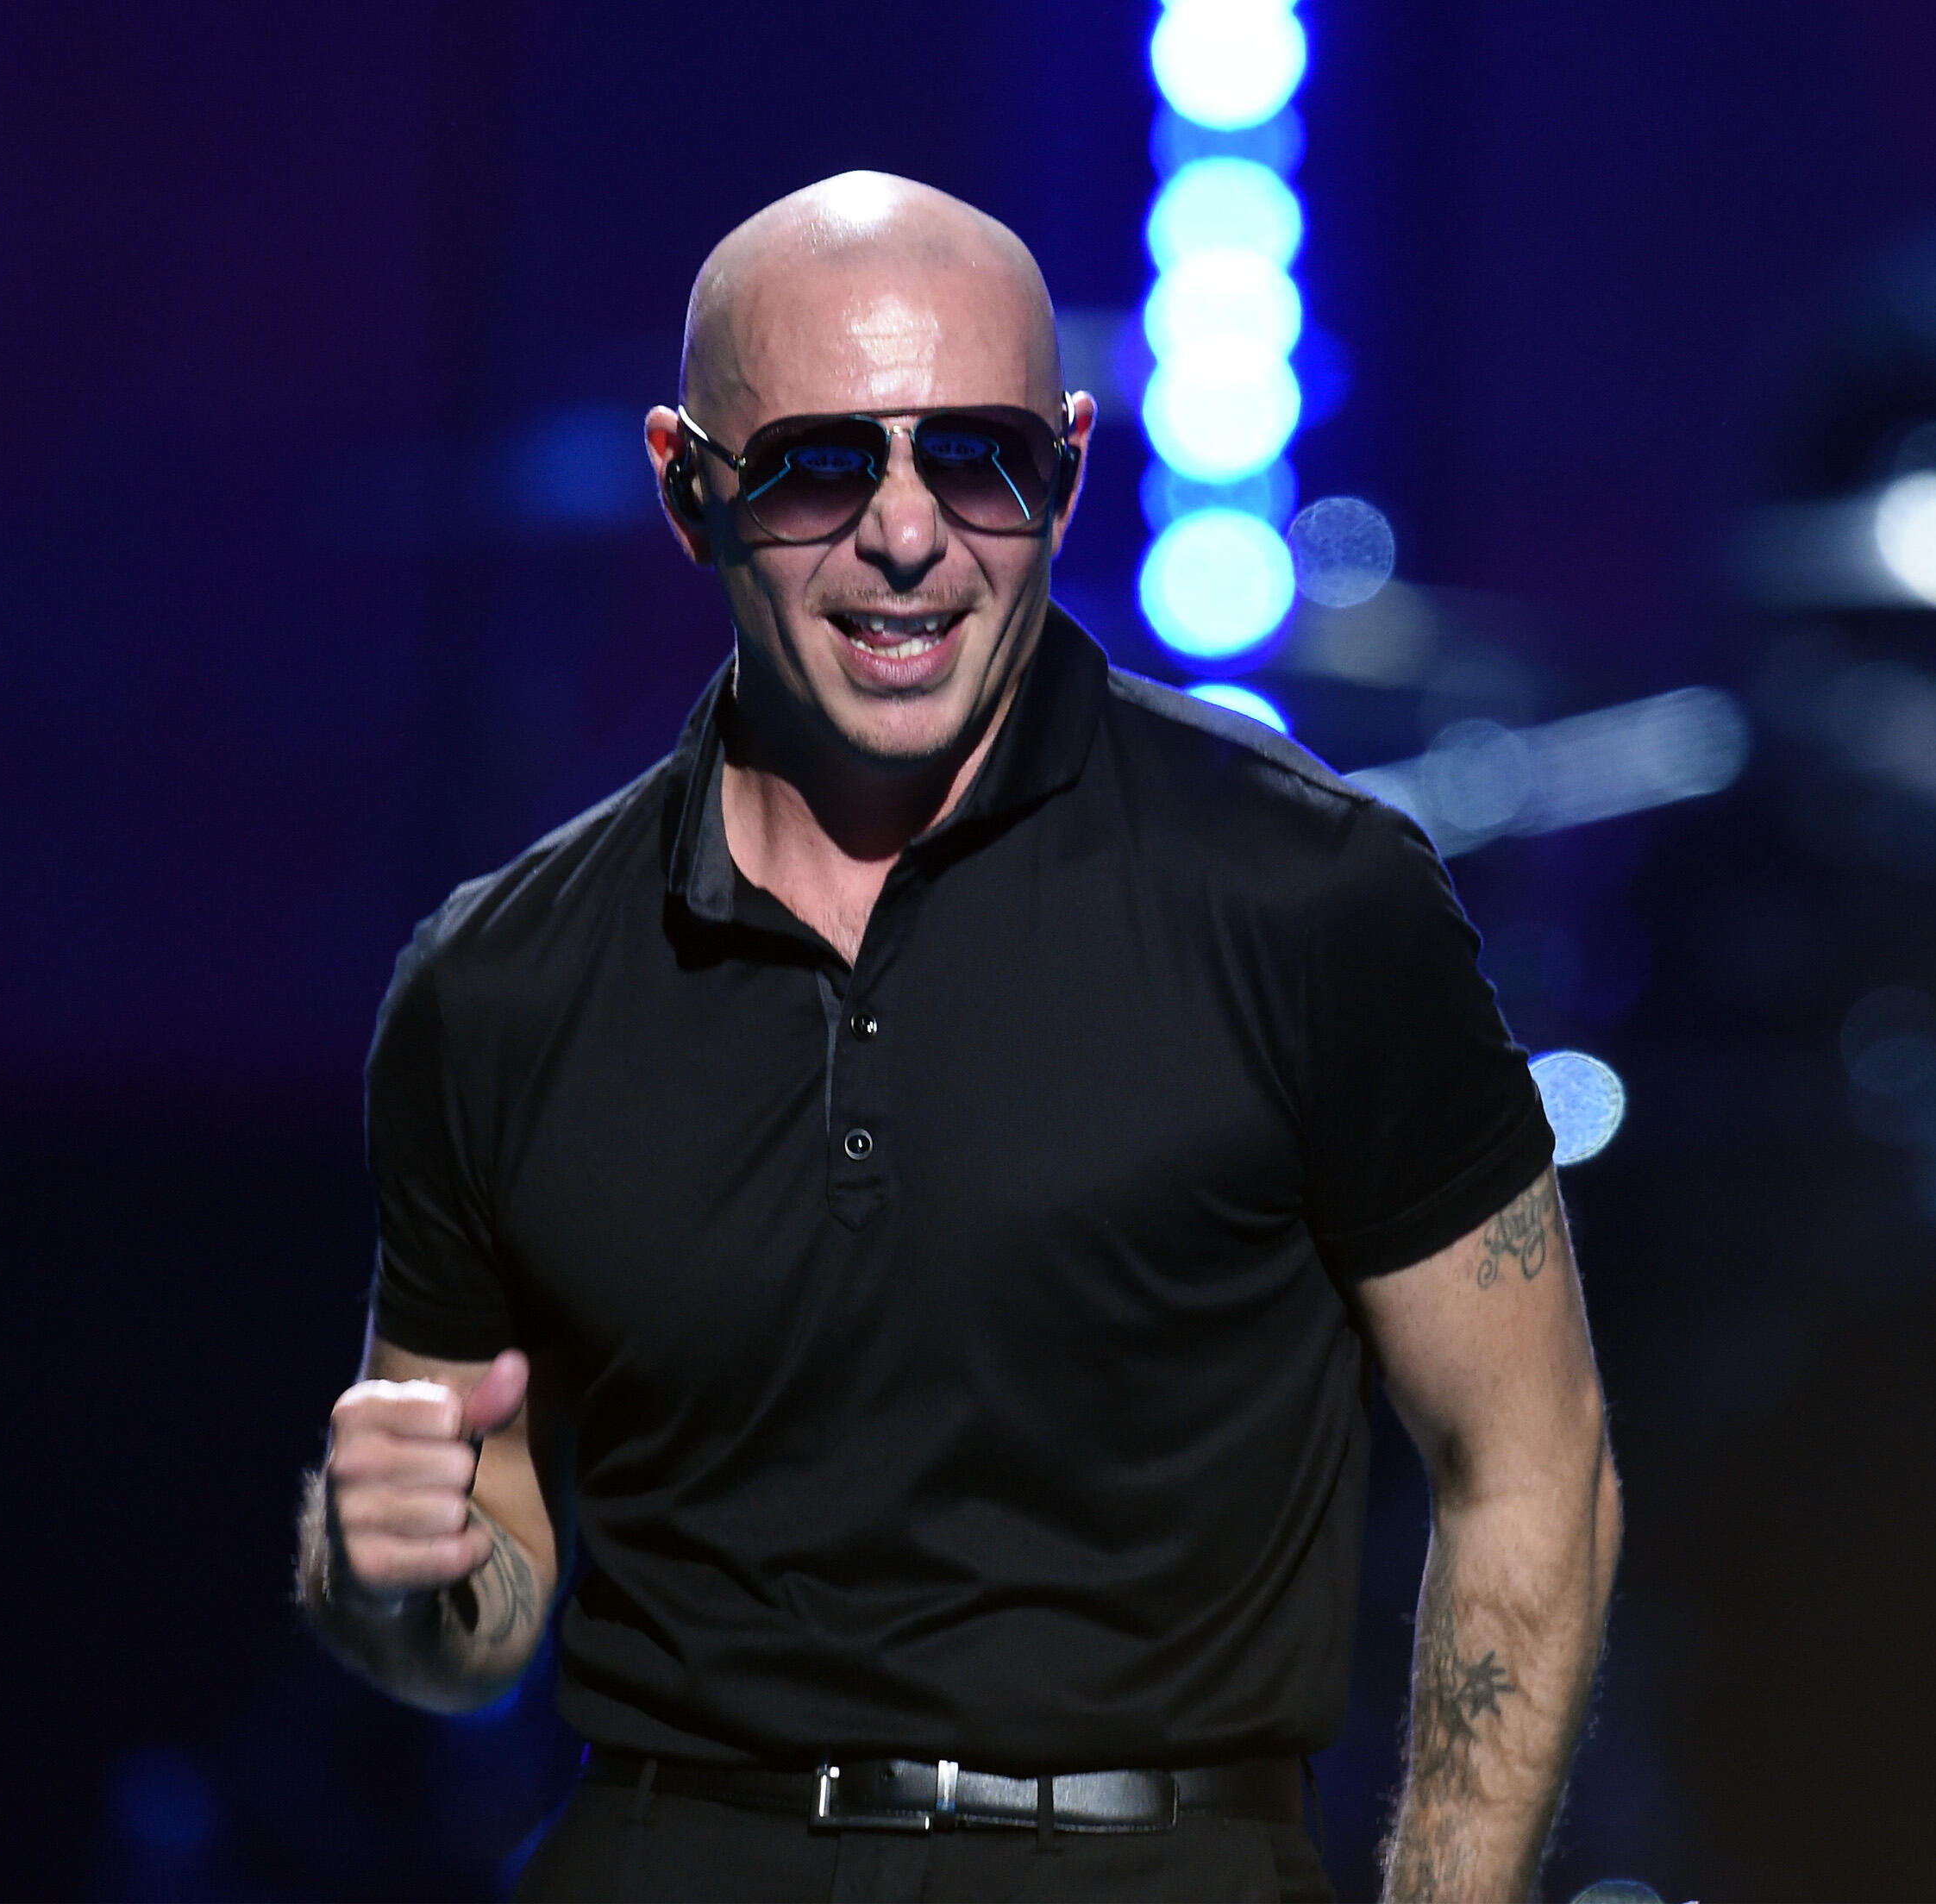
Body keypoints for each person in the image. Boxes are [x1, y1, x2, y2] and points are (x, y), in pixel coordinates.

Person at [296, 170, 1622, 1903]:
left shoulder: (1310, 899)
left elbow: (1532, 1465)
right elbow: (474, 1594)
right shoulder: (502, 983)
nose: (908, 533)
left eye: (978, 459)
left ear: (1067, 467)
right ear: (687, 490)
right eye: (823, 464)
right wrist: (392, 1573)